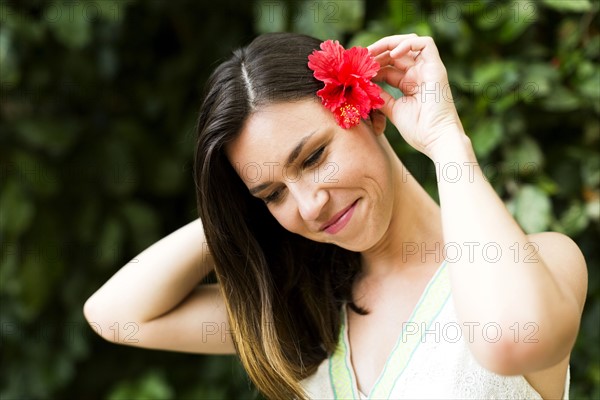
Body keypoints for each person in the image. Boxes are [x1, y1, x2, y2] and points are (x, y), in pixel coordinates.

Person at [83, 32, 588, 400]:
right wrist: (234, 216)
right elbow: (117, 317)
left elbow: (509, 340)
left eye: (312, 157)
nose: (308, 206)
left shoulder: (542, 263)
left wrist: (445, 142)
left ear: (367, 109)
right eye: (273, 193)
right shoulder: (303, 311)